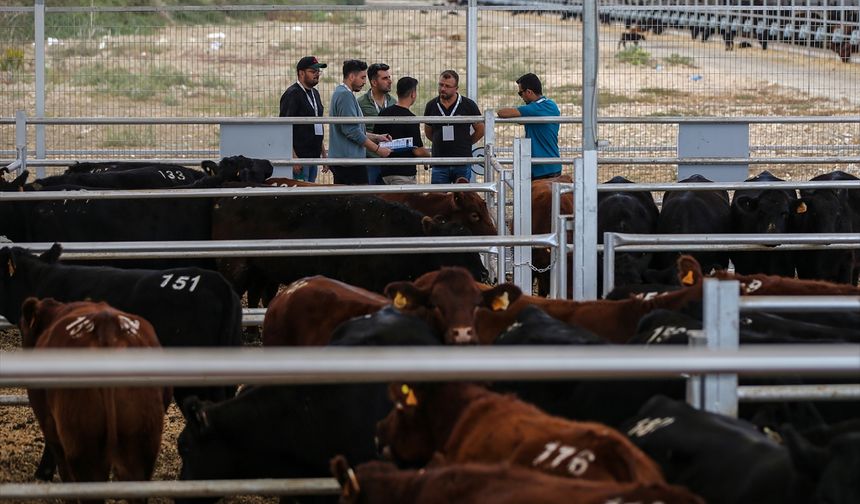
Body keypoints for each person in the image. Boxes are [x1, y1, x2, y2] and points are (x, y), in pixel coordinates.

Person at [329, 59, 392, 185]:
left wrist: (376, 137)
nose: (364, 82)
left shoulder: (341, 93)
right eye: (362, 77)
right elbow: (351, 131)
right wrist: (377, 149)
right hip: (350, 163)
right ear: (352, 76)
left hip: (344, 160)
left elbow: (353, 128)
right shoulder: (345, 96)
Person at [423, 69, 484, 184]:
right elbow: (428, 132)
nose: (443, 89)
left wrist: (466, 142)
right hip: (439, 162)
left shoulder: (468, 105)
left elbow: (480, 129)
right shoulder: (431, 105)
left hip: (462, 161)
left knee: (463, 198)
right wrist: (439, 140)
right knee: (438, 198)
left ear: (456, 88)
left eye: (447, 86)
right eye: (441, 84)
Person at [497, 73, 562, 179]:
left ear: (529, 92)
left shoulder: (535, 108)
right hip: (549, 166)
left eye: (520, 93)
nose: (521, 96)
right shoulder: (550, 105)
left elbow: (502, 113)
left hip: (543, 169)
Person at [279, 56, 327, 182]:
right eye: (313, 71)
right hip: (299, 158)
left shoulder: (315, 93)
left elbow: (317, 125)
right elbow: (283, 128)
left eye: (318, 71)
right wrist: (293, 157)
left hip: (313, 157)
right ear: (301, 73)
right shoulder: (292, 94)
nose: (317, 74)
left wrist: (324, 154)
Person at [375, 76, 431, 185]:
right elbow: (417, 150)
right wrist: (429, 156)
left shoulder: (383, 113)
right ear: (413, 94)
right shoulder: (410, 118)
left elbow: (377, 140)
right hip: (404, 174)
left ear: (397, 92)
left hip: (384, 173)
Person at [357, 63, 395, 185]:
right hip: (369, 161)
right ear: (374, 82)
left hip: (389, 161)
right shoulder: (360, 103)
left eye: (389, 77)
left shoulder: (393, 102)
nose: (390, 81)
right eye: (385, 78)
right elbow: (356, 130)